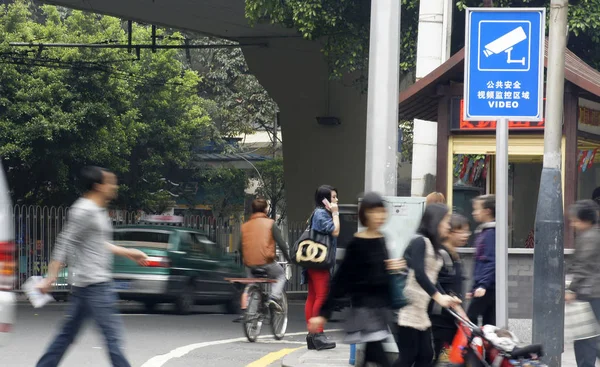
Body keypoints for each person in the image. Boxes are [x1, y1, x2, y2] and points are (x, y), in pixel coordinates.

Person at [36, 166, 148, 367]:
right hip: (96, 286)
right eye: (110, 182)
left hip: (87, 286)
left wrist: (130, 252)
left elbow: (98, 244)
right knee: (113, 338)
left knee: (67, 335)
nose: (115, 186)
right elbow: (65, 242)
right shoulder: (84, 210)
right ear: (98, 186)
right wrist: (51, 276)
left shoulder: (96, 211)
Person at [308, 192, 405, 366]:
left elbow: (380, 276)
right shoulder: (356, 244)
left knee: (371, 358)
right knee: (381, 359)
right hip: (365, 310)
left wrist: (390, 268)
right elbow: (341, 279)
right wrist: (324, 314)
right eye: (373, 212)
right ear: (364, 215)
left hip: (381, 310)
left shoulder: (382, 239)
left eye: (381, 211)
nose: (379, 216)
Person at [394, 203, 462, 367]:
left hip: (420, 308)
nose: (448, 225)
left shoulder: (433, 246)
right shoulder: (420, 241)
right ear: (435, 221)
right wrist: (439, 297)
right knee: (408, 357)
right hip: (407, 308)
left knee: (425, 355)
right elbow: (419, 274)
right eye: (446, 221)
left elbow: (431, 278)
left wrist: (446, 297)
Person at [428, 213, 470, 365]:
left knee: (456, 358)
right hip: (441, 318)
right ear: (450, 232)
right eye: (462, 231)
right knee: (438, 358)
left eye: (467, 231)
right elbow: (435, 282)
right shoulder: (442, 254)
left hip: (452, 318)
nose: (466, 235)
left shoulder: (454, 255)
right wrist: (455, 305)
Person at [303, 185, 339, 350]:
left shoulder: (316, 213)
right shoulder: (322, 214)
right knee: (321, 297)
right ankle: (318, 334)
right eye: (333, 197)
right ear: (324, 200)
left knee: (313, 296)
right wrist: (336, 212)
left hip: (313, 259)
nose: (336, 200)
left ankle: (312, 335)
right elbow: (335, 231)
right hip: (319, 261)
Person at [565, 200, 600, 367]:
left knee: (585, 338)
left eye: (575, 220)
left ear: (586, 220)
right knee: (590, 337)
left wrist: (572, 289)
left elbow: (583, 266)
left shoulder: (589, 238)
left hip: (589, 294)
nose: (573, 224)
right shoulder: (593, 235)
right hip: (593, 293)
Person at [239, 198, 291, 310]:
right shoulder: (271, 224)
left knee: (252, 284)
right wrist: (288, 258)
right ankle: (274, 297)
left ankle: (251, 317)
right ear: (265, 210)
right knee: (281, 275)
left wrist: (246, 258)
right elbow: (281, 244)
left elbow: (240, 247)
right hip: (266, 262)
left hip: (250, 264)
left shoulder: (245, 226)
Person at [467, 194, 496, 326]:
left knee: (470, 318)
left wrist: (482, 285)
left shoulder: (490, 233)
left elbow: (490, 260)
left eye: (477, 209)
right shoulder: (485, 231)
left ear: (487, 211)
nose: (474, 213)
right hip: (485, 285)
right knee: (488, 322)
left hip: (487, 286)